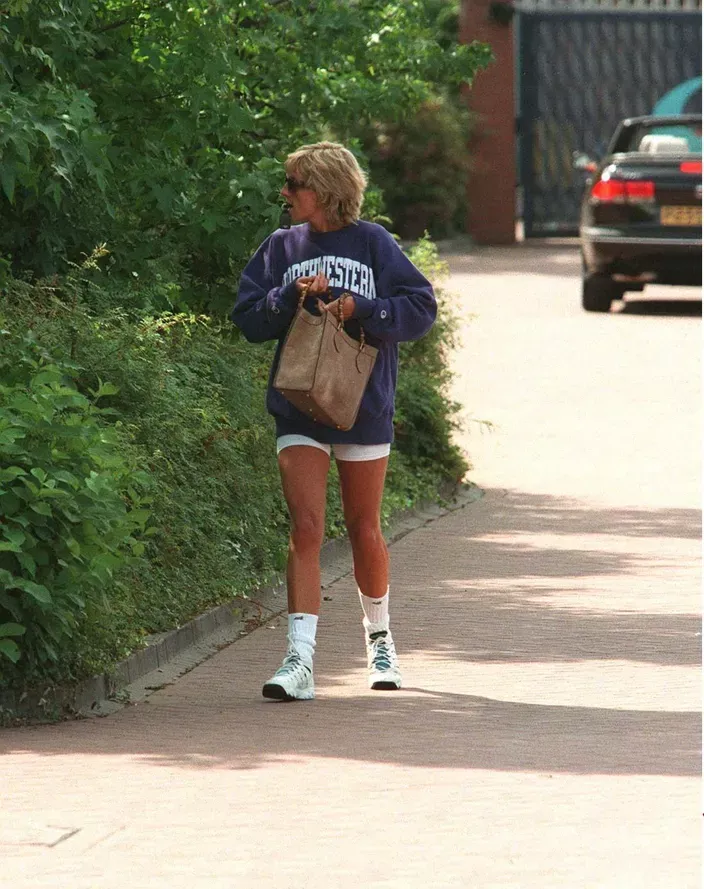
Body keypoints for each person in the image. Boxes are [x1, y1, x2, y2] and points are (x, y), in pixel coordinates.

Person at [231, 141, 436, 701]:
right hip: (299, 403)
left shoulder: (373, 243)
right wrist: (286, 297)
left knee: (365, 528)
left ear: (321, 189)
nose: (285, 193)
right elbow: (247, 318)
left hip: (363, 406)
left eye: (293, 183)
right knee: (305, 527)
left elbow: (421, 307)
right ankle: (299, 661)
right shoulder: (282, 246)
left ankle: (380, 640)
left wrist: (361, 307)